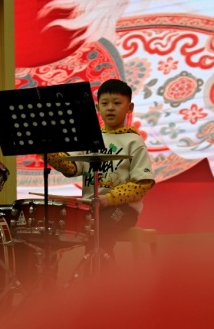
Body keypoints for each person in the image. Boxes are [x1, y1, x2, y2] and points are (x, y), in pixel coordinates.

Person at [47, 79, 155, 258]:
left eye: (117, 103)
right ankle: (96, 271)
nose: (110, 108)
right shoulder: (89, 137)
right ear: (97, 108)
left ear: (129, 107)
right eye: (105, 104)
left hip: (122, 209)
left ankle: (101, 273)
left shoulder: (134, 141)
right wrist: (47, 152)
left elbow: (142, 184)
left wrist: (109, 199)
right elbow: (71, 167)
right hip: (90, 209)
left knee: (98, 230)